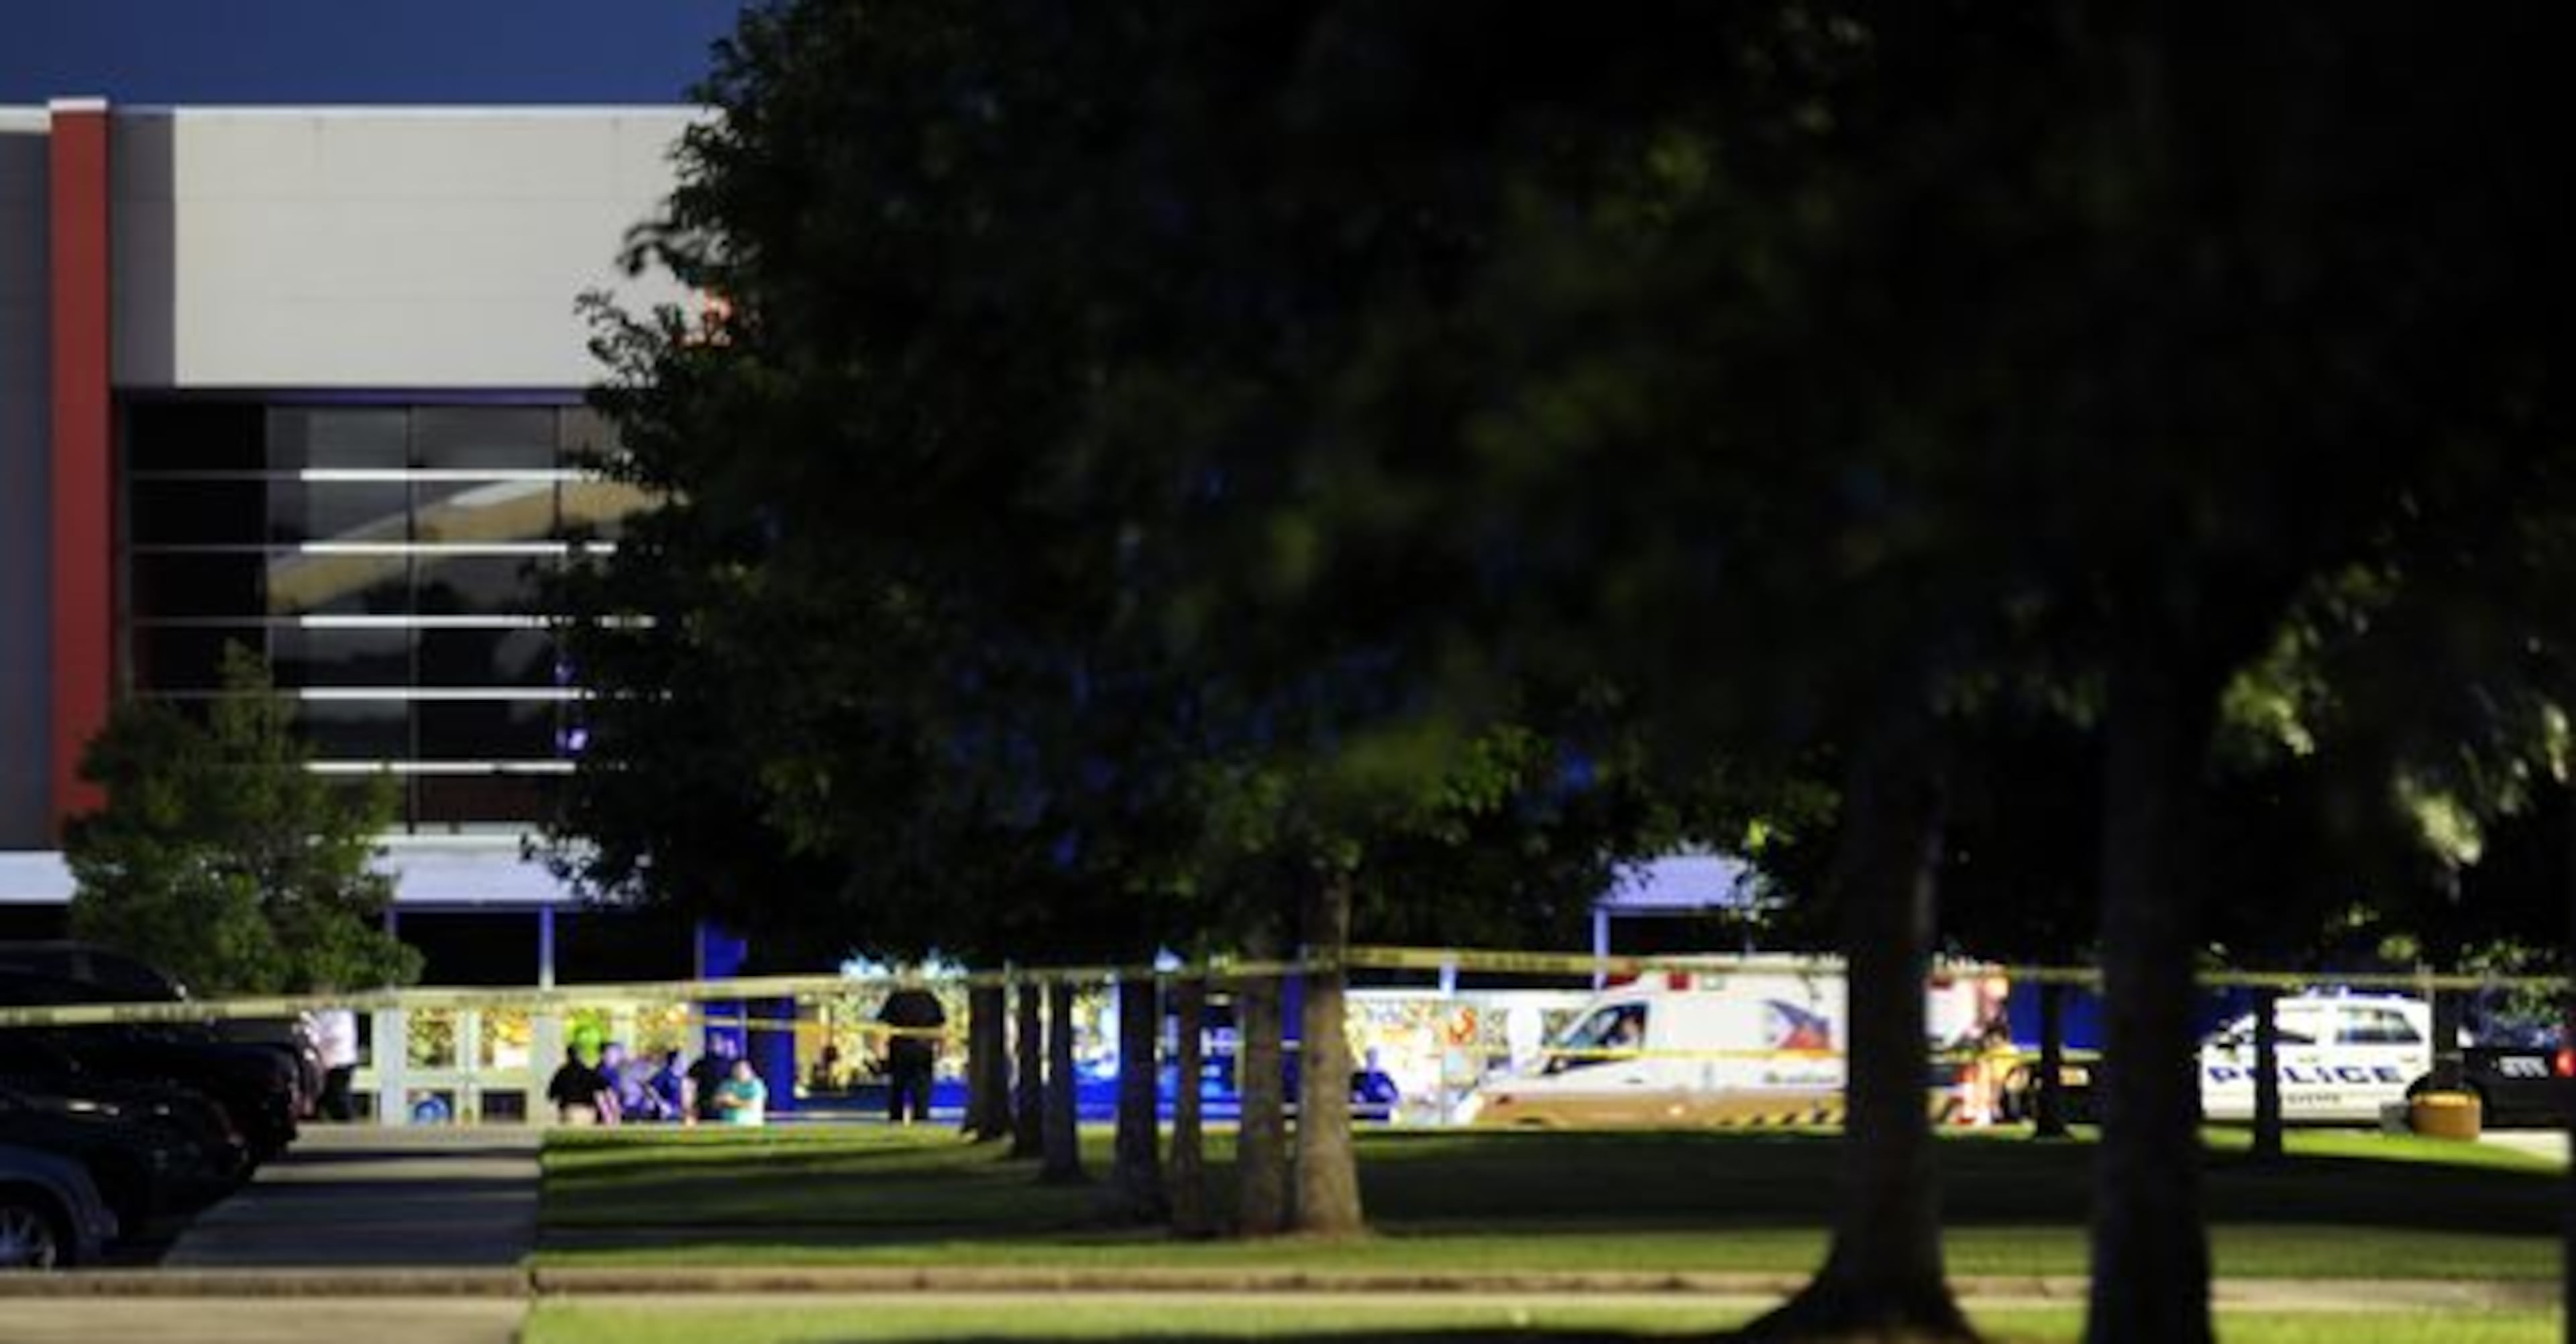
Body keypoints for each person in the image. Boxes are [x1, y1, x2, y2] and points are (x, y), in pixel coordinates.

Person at [876, 981, 947, 1125]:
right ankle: (920, 1119)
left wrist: (880, 1050)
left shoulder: (897, 997)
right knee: (919, 1089)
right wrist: (941, 1048)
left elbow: (883, 1025)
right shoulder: (929, 998)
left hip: (902, 1049)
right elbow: (940, 1026)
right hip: (920, 1050)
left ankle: (898, 1120)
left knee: (899, 1088)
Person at [310, 1006, 360, 1122]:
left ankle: (349, 1132)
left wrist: (315, 1039)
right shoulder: (317, 1007)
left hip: (340, 1061)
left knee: (339, 1099)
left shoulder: (341, 1011)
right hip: (318, 1062)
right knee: (316, 1102)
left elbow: (337, 1034)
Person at [545, 1044, 610, 1125]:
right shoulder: (589, 1072)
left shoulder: (561, 1074)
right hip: (588, 1113)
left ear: (567, 1056)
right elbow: (605, 1090)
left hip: (569, 1112)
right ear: (581, 1055)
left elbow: (550, 1095)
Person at [686, 1035, 737, 1127]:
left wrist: (690, 1102)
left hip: (711, 1102)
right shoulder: (727, 1063)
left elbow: (689, 1082)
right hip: (717, 1102)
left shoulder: (701, 1062)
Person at [714, 1057, 767, 1127]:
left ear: (750, 1071)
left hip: (750, 1127)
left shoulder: (756, 1085)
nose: (739, 1072)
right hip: (727, 1126)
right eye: (737, 1069)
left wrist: (733, 1101)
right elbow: (716, 1103)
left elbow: (753, 1105)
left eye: (743, 1070)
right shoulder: (726, 1084)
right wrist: (721, 1100)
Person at [648, 1050, 688, 1121]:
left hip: (677, 1113)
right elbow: (650, 1088)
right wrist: (662, 1104)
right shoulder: (664, 1074)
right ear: (675, 1061)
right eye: (682, 1060)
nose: (685, 1062)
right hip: (664, 1115)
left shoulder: (681, 1078)